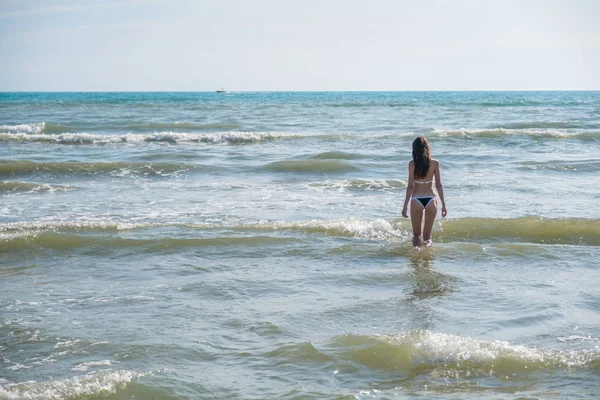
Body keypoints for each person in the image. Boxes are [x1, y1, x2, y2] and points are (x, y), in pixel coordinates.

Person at [401, 136, 447, 247]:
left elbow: (410, 186)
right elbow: (439, 185)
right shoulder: (435, 163)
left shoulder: (412, 164)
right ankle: (427, 257)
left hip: (417, 199)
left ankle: (417, 256)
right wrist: (444, 205)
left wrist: (405, 206)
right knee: (427, 237)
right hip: (431, 199)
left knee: (416, 235)